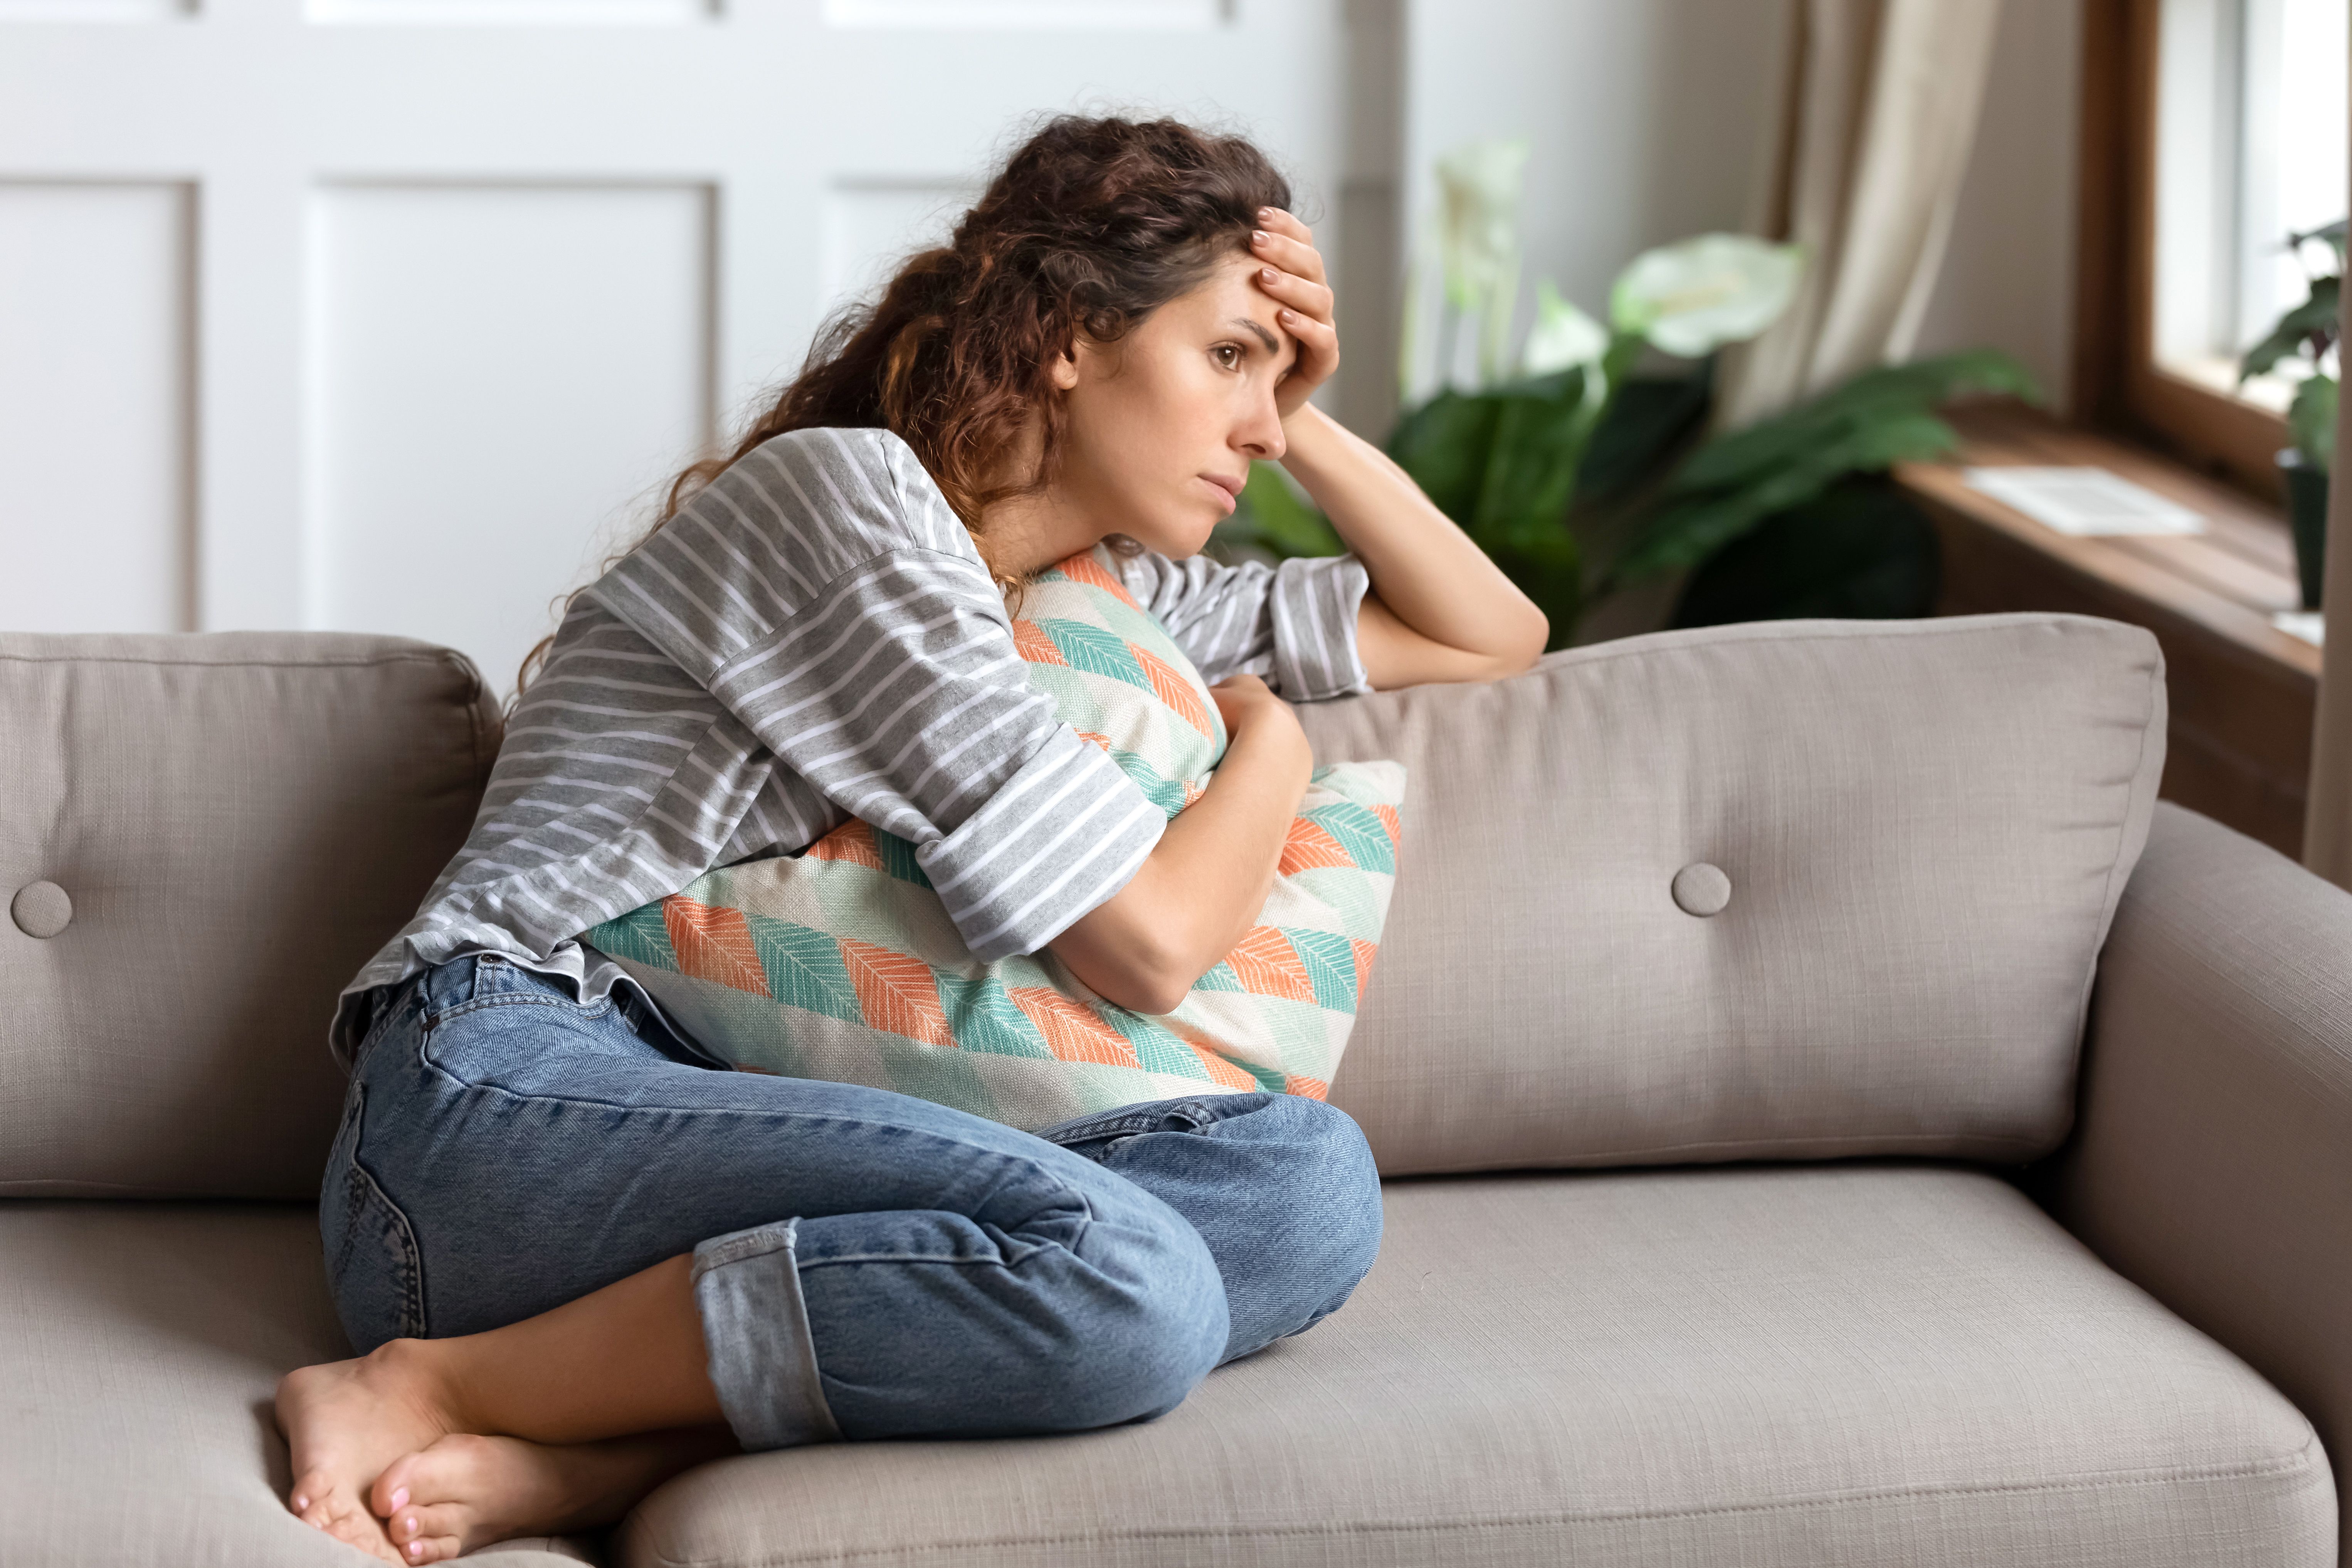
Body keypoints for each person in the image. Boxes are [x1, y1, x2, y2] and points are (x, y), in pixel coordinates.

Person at [277, 114, 1548, 1565]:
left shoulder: (1092, 595)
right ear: (1073, 337)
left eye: (1272, 379)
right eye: (1226, 360)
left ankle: (619, 1451)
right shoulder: (858, 506)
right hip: (505, 1104)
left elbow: (1491, 633)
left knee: (1300, 1191)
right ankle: (429, 1380)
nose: (1256, 427)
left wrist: (1305, 407)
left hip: (729, 1114)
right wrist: (1281, 743)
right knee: (1132, 1284)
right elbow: (1147, 946)